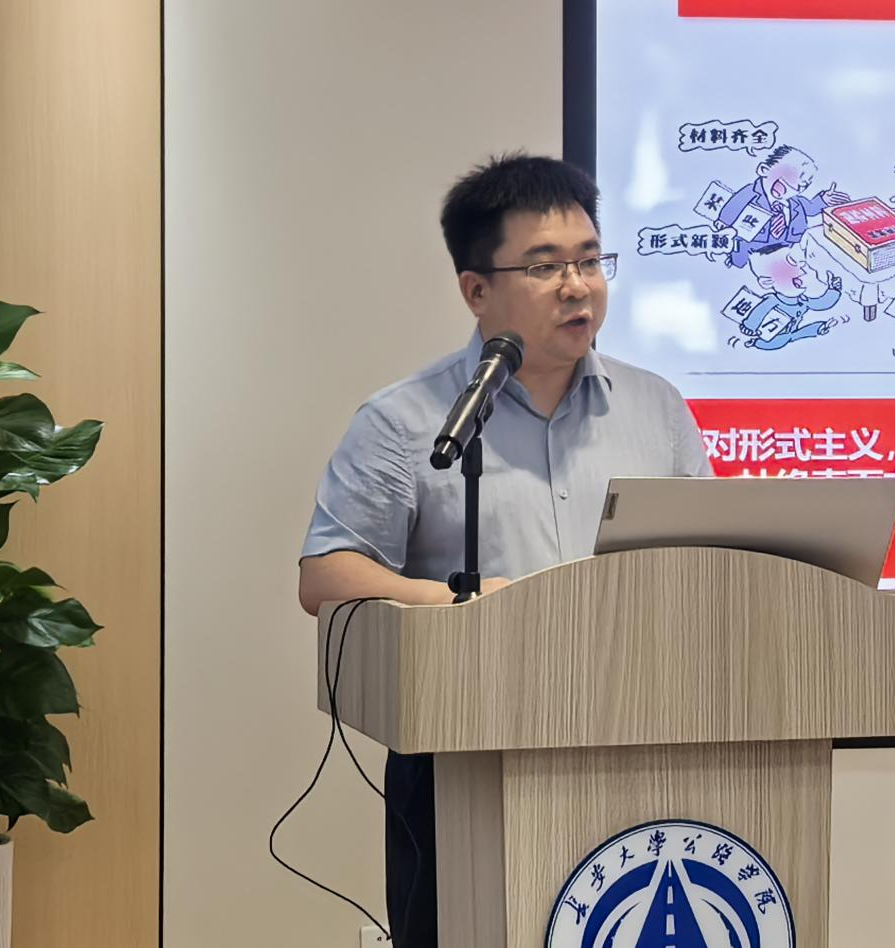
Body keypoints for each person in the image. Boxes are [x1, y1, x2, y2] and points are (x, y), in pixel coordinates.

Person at [297, 154, 712, 947]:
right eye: (545, 266)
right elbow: (326, 576)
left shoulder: (657, 408)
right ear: (476, 290)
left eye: (590, 260)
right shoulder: (406, 421)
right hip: (464, 757)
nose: (578, 286)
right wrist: (465, 604)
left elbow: (709, 559)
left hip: (647, 741)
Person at [716, 144, 849, 268]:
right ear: (764, 170)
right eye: (792, 175)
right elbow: (736, 203)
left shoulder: (796, 202)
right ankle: (737, 264)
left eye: (804, 184)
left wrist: (823, 199)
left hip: (787, 244)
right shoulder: (751, 193)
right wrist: (724, 222)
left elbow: (811, 208)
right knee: (741, 253)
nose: (798, 186)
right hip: (755, 242)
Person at [738, 242, 843, 350]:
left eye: (797, 262)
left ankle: (818, 328)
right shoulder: (773, 300)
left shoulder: (802, 300)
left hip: (791, 331)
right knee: (779, 341)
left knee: (793, 336)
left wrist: (834, 290)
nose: (801, 268)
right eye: (791, 262)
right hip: (773, 334)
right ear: (767, 282)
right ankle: (755, 342)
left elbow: (820, 303)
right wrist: (749, 326)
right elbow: (759, 311)